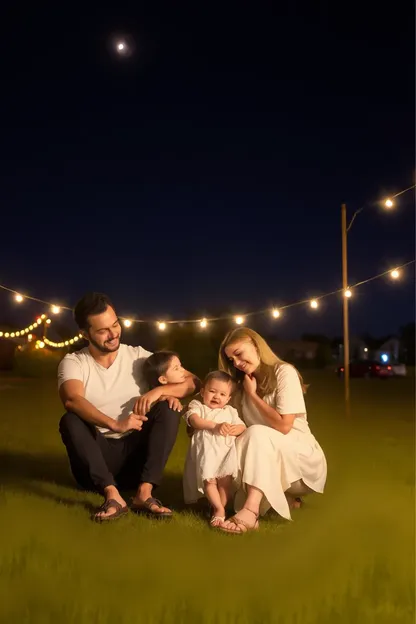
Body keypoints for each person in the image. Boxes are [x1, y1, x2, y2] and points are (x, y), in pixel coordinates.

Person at [58, 292, 199, 522]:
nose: (113, 334)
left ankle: (144, 493)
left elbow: (193, 382)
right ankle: (112, 495)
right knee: (70, 419)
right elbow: (72, 399)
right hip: (96, 462)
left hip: (135, 459)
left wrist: (160, 391)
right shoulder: (74, 362)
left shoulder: (137, 357)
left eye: (115, 324)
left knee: (169, 407)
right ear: (84, 334)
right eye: (103, 330)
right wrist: (115, 423)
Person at [217, 327, 327, 534]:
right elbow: (209, 396)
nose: (237, 363)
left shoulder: (284, 372)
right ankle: (281, 497)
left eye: (239, 354)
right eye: (232, 360)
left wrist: (253, 396)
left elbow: (284, 426)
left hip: (301, 460)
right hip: (267, 456)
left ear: (255, 345)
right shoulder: (242, 386)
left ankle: (251, 511)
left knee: (256, 433)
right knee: (232, 440)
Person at [182, 371, 246, 527]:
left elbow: (242, 426)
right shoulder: (198, 406)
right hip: (206, 452)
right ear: (203, 391)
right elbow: (194, 420)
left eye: (223, 394)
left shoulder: (230, 412)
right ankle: (218, 509)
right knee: (209, 480)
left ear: (228, 399)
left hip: (224, 452)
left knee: (225, 482)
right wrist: (215, 426)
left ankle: (219, 508)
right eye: (212, 391)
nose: (217, 396)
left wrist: (234, 429)